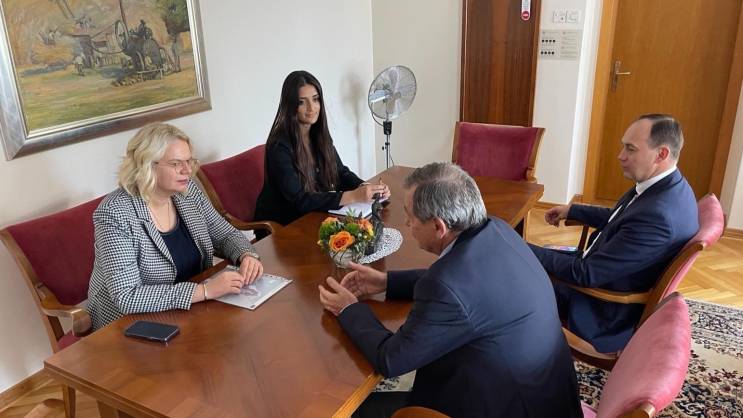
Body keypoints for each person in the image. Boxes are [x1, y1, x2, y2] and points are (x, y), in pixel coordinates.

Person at [318, 162, 582, 418]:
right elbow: (462, 284)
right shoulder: (497, 229)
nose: (407, 224)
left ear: (438, 226)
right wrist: (386, 281)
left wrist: (348, 308)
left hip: (509, 407)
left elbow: (391, 359)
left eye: (410, 217)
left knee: (358, 411)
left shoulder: (447, 286)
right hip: (549, 398)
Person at [529, 114, 698, 353]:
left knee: (512, 274)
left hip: (598, 308)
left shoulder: (657, 217)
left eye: (630, 148)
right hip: (602, 272)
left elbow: (585, 274)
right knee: (531, 259)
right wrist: (573, 210)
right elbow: (623, 218)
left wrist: (520, 248)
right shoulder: (668, 187)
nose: (621, 155)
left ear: (661, 154)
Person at [87, 123, 264, 330]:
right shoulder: (114, 214)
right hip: (128, 326)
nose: (187, 170)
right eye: (176, 163)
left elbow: (225, 234)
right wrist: (204, 291)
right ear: (147, 165)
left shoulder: (188, 193)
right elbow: (127, 296)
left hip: (188, 311)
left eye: (189, 161)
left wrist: (246, 255)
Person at [255, 70, 390, 226]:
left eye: (315, 99)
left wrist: (367, 188)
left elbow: (340, 172)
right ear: (290, 105)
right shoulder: (279, 146)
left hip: (311, 215)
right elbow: (300, 200)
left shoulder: (318, 135)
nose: (311, 108)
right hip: (283, 224)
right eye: (301, 102)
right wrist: (353, 196)